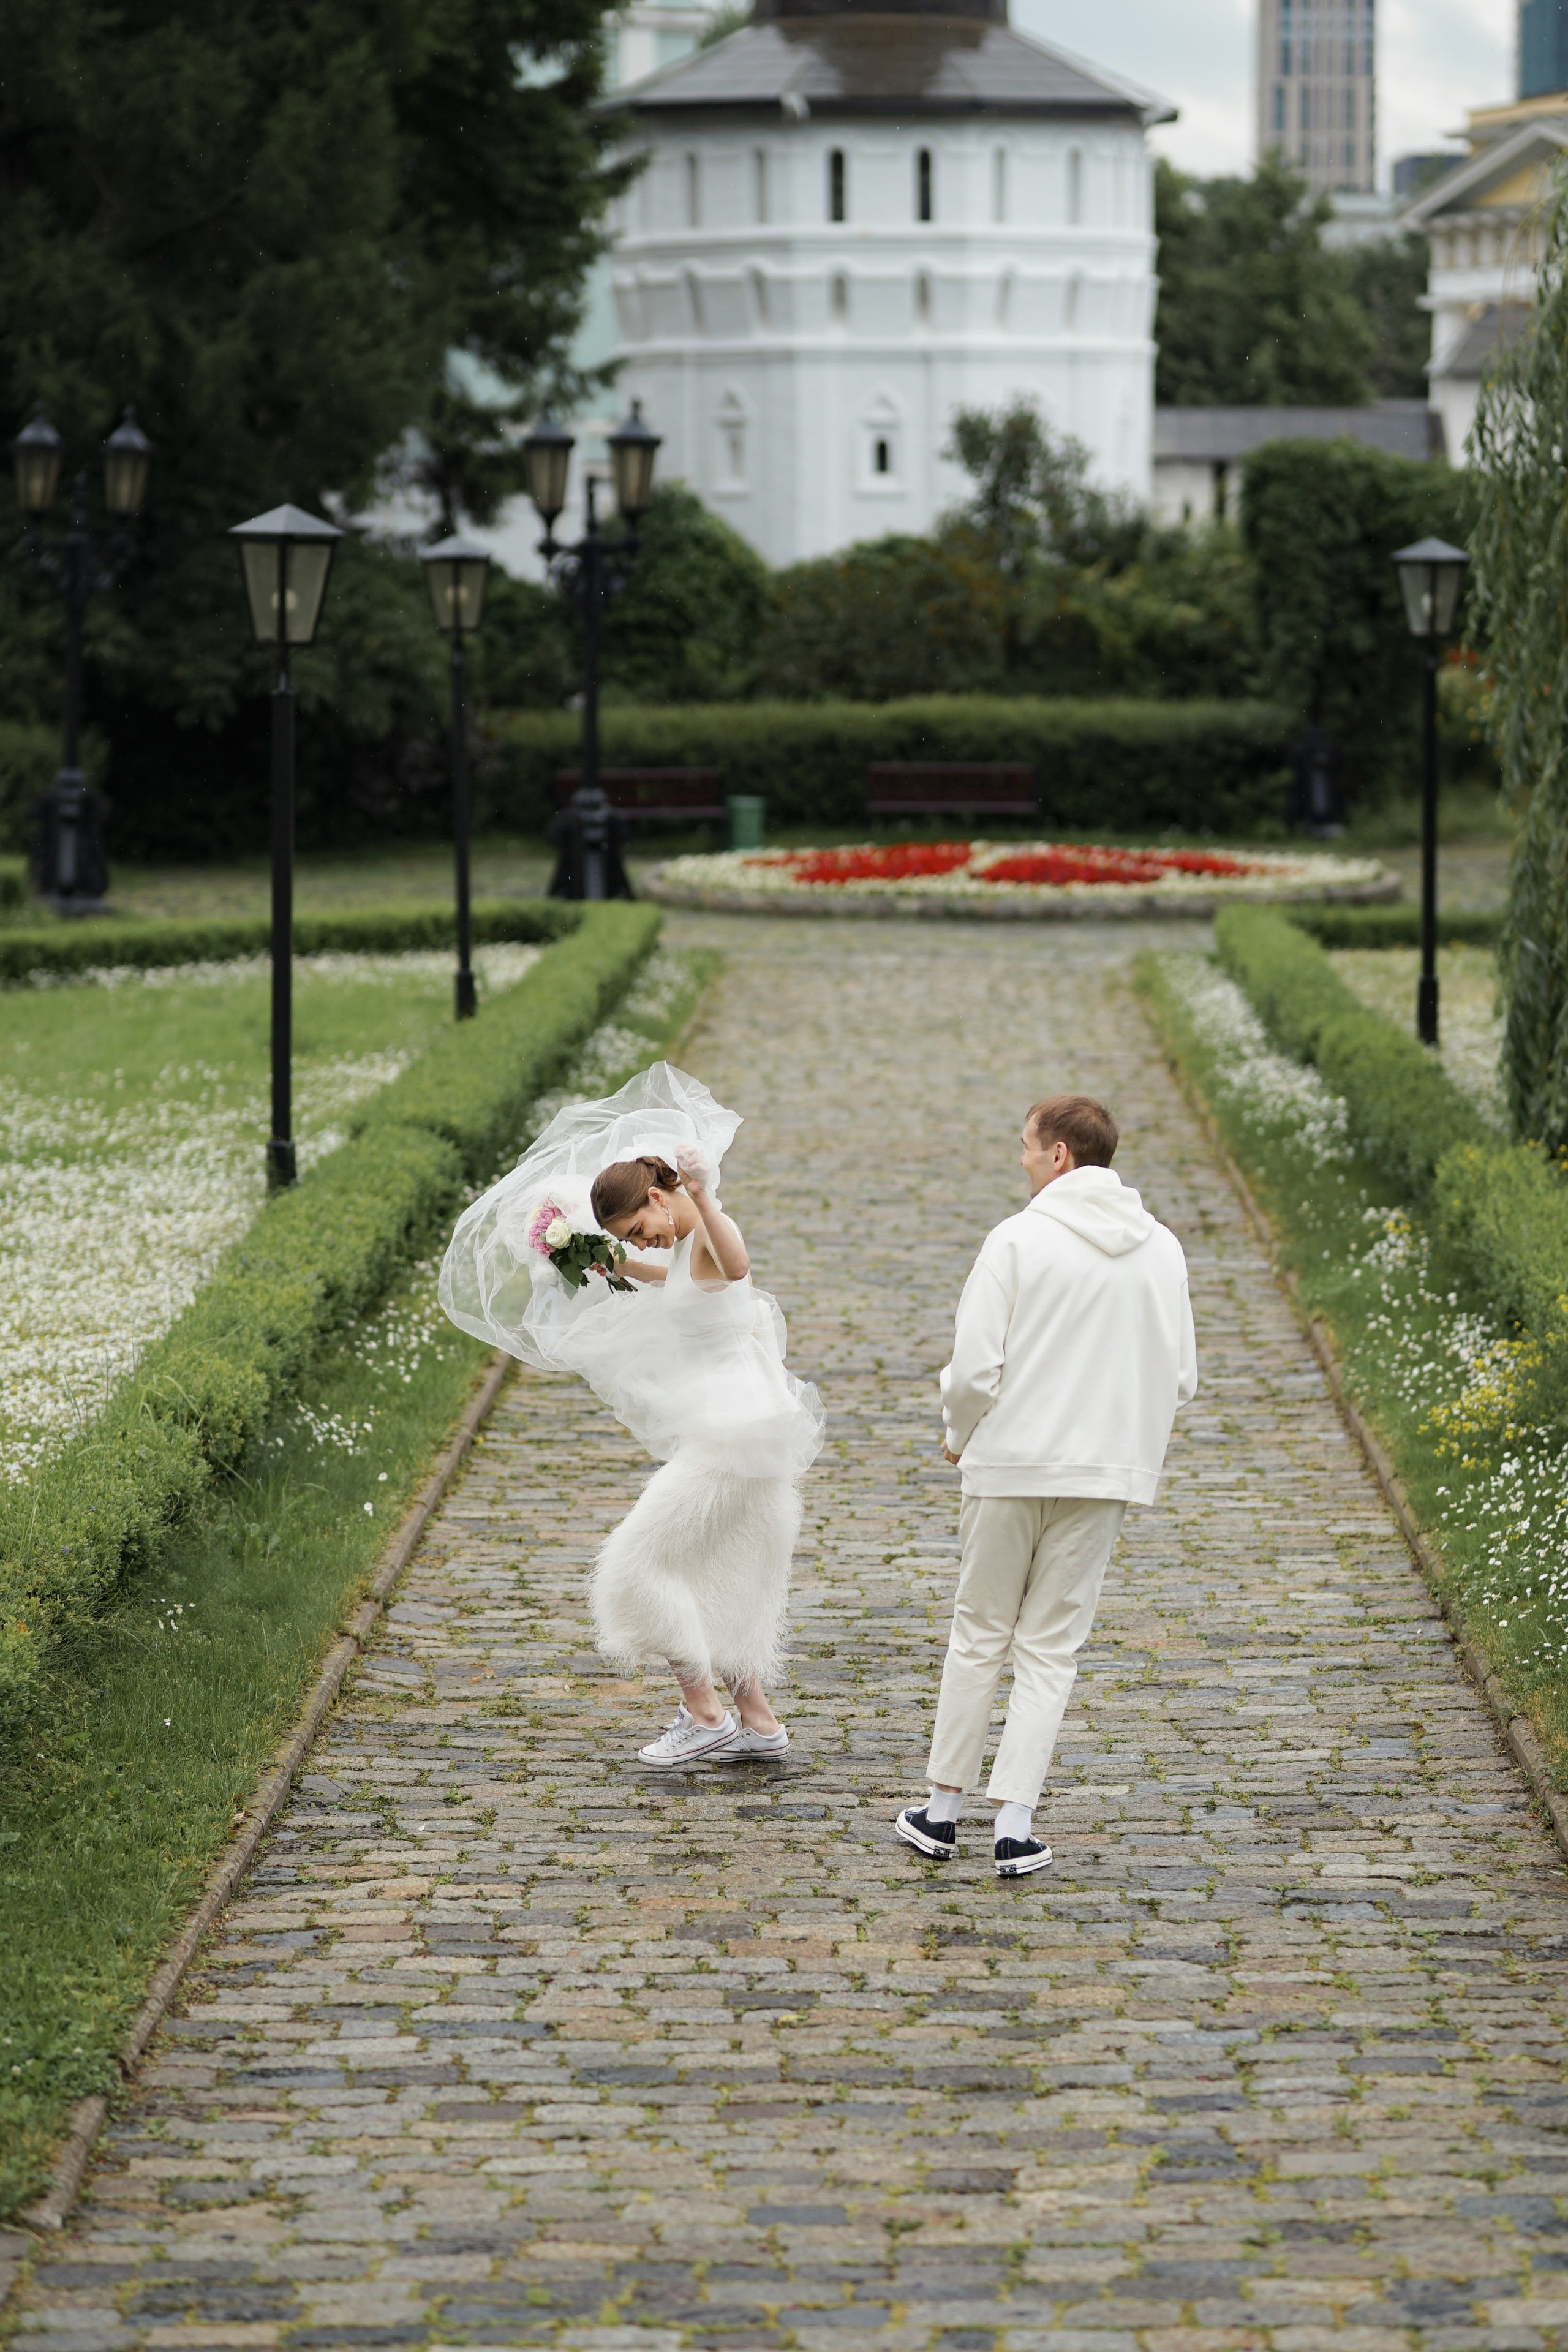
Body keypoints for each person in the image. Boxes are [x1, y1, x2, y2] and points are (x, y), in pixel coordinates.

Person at [439, 1062, 823, 1767]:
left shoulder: (708, 1228)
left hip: (733, 1439)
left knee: (637, 1563)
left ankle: (704, 1714)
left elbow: (735, 1267)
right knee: (723, 1570)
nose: (646, 1242)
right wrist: (602, 1258)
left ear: (657, 1194)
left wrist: (703, 1197)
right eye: (634, 1235)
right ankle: (758, 1723)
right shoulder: (678, 1253)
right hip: (743, 1433)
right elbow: (672, 1279)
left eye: (641, 1227)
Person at [896, 1094, 1197, 1879]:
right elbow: (1183, 1378)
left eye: (1026, 1147)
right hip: (1102, 1473)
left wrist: (959, 1434)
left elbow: (973, 1369)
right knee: (1050, 1650)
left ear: (1059, 1154)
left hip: (1009, 1463)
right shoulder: (1161, 1248)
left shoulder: (1017, 1239)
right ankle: (1015, 1825)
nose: (1021, 1160)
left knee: (979, 1632)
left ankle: (940, 1812)